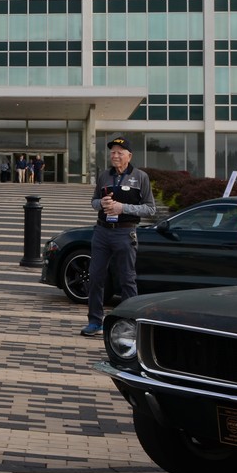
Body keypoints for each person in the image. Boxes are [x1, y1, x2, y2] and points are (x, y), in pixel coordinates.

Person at [81, 135, 156, 335]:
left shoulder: (140, 177)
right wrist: (101, 203)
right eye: (112, 152)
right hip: (102, 232)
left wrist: (122, 208)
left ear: (129, 156)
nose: (114, 156)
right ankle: (95, 321)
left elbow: (150, 209)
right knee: (95, 277)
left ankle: (129, 325)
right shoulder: (104, 176)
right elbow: (93, 201)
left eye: (119, 153)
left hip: (125, 232)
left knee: (127, 279)